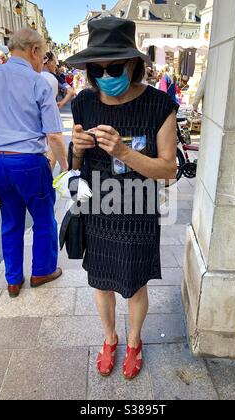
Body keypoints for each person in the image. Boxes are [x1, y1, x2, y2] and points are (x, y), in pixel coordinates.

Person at [67, 17, 177, 380]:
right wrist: (77, 150)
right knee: (100, 282)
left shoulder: (160, 104)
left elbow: (167, 170)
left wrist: (124, 152)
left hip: (137, 209)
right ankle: (109, 339)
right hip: (98, 208)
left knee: (134, 284)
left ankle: (133, 342)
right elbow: (75, 164)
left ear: (133, 64)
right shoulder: (83, 103)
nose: (104, 76)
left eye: (113, 67)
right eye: (95, 70)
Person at [0, 29, 69, 298]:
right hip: (28, 160)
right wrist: (66, 166)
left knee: (11, 220)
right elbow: (53, 134)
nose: (43, 61)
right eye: (44, 54)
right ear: (35, 51)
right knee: (43, 218)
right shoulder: (38, 82)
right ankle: (42, 271)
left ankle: (13, 279)